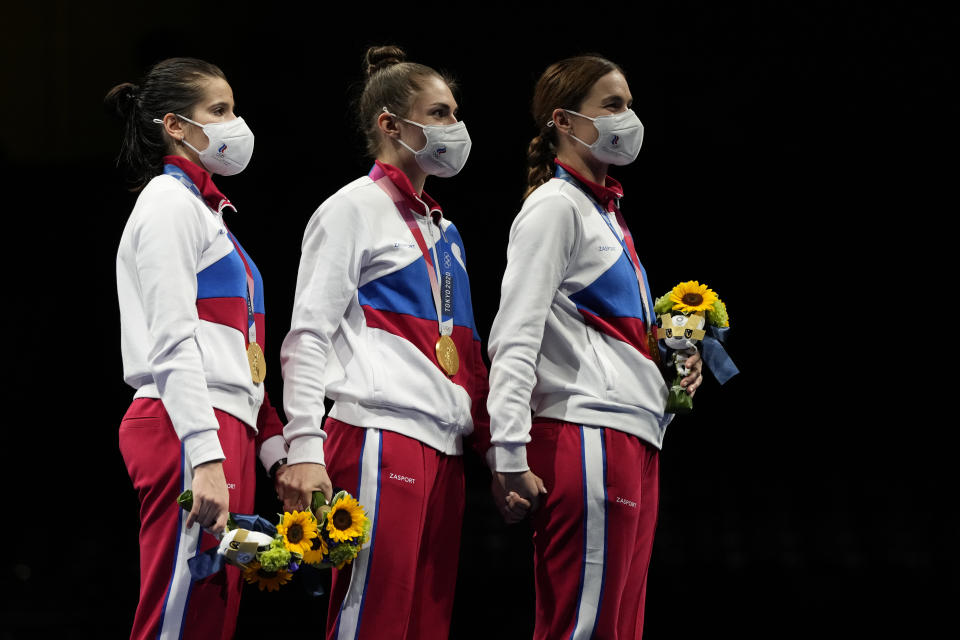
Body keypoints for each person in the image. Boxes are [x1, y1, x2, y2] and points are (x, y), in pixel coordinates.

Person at [486, 55, 704, 639]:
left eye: (629, 104)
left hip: (633, 435)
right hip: (587, 435)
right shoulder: (555, 208)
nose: (627, 118)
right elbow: (514, 334)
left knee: (616, 629)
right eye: (612, 105)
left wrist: (671, 362)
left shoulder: (607, 215)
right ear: (563, 120)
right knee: (582, 627)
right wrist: (508, 452)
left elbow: (607, 334)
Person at [279, 46, 491, 640]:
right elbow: (307, 337)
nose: (455, 127)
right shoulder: (350, 210)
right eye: (440, 113)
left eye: (455, 113)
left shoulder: (446, 233)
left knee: (425, 626)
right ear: (391, 124)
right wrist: (303, 447)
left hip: (444, 451)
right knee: (370, 621)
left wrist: (498, 454)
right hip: (378, 436)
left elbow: (467, 359)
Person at [109, 57, 320, 640]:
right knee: (176, 612)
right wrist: (203, 456)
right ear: (175, 125)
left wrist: (276, 454)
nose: (236, 124)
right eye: (220, 111)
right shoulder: (167, 204)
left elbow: (243, 358)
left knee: (211, 615)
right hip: (183, 424)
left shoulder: (210, 216)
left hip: (224, 425)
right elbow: (173, 340)